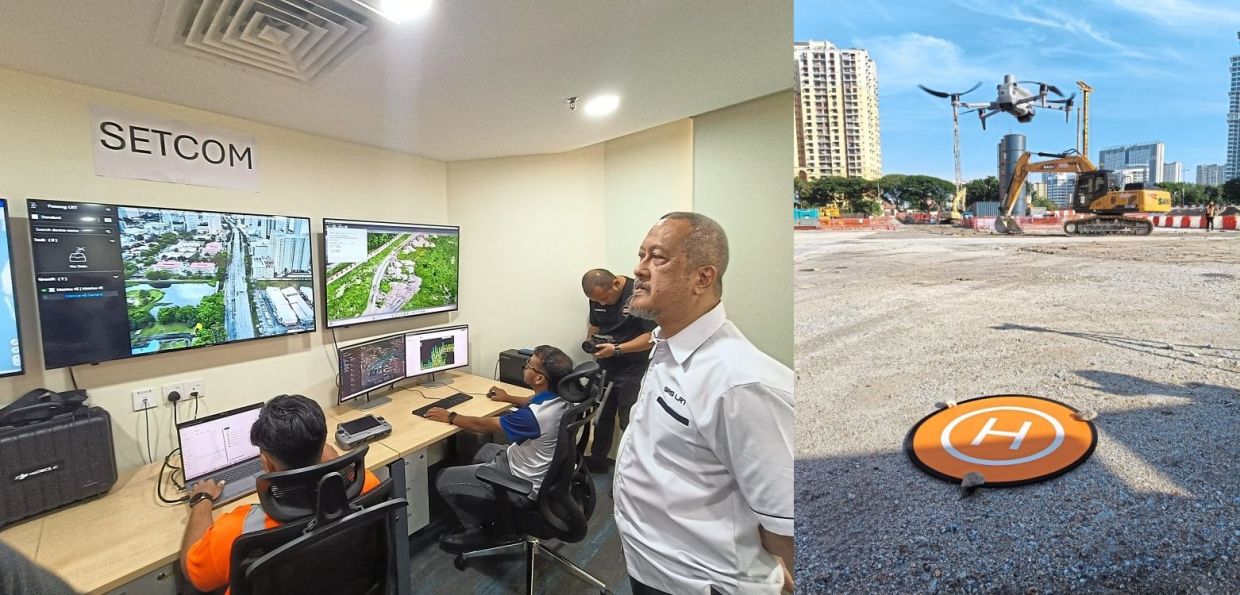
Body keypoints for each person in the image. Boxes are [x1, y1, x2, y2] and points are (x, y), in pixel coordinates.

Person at [613, 212, 795, 594]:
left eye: (657, 257)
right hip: (652, 566)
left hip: (698, 583)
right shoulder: (667, 347)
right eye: (641, 255)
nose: (639, 269)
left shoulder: (742, 383)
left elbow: (787, 528)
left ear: (702, 277)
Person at [180, 394, 380, 593]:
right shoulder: (365, 484)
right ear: (324, 447)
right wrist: (333, 465)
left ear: (267, 463)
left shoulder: (238, 531)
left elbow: (194, 574)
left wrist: (202, 499)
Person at [427, 345, 574, 552]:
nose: (525, 367)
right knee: (482, 450)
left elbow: (482, 425)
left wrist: (451, 417)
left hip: (523, 484)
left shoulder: (534, 417)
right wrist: (507, 398)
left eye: (528, 365)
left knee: (443, 478)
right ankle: (483, 503)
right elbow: (530, 401)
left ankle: (474, 531)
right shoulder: (561, 396)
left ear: (539, 378)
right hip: (536, 469)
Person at [580, 268, 656, 471]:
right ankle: (598, 460)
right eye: (598, 301)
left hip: (632, 367)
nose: (602, 303)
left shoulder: (638, 294)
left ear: (615, 284)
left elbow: (651, 337)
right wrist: (591, 343)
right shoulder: (596, 297)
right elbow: (595, 325)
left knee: (628, 419)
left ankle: (631, 470)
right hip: (606, 364)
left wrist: (617, 349)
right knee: (602, 414)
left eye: (605, 298)